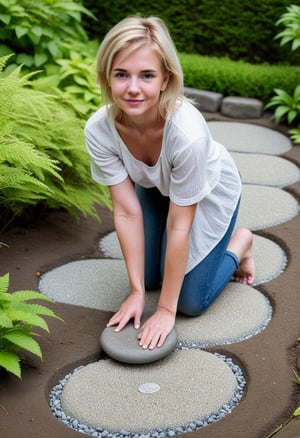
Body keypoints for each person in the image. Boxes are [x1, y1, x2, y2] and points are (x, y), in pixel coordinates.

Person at [85, 15, 255, 352]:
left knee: (189, 302)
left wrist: (165, 310)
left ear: (166, 79)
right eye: (122, 74)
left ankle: (241, 245)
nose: (133, 88)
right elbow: (126, 211)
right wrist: (136, 292)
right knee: (148, 279)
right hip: (156, 187)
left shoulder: (187, 135)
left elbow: (180, 225)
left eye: (146, 75)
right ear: (107, 76)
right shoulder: (98, 130)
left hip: (207, 191)